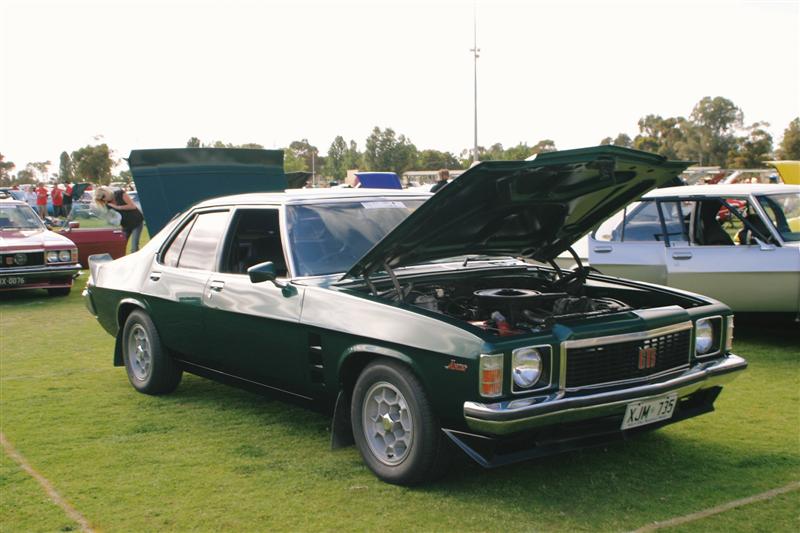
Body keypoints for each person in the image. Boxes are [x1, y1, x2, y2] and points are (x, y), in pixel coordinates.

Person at [95, 186, 145, 253]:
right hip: (125, 225)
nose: (104, 199)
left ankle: (138, 261)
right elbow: (114, 217)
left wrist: (117, 207)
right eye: (101, 199)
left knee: (134, 247)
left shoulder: (120, 193)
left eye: (103, 196)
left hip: (136, 222)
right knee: (120, 245)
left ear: (106, 192)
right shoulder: (108, 204)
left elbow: (132, 206)